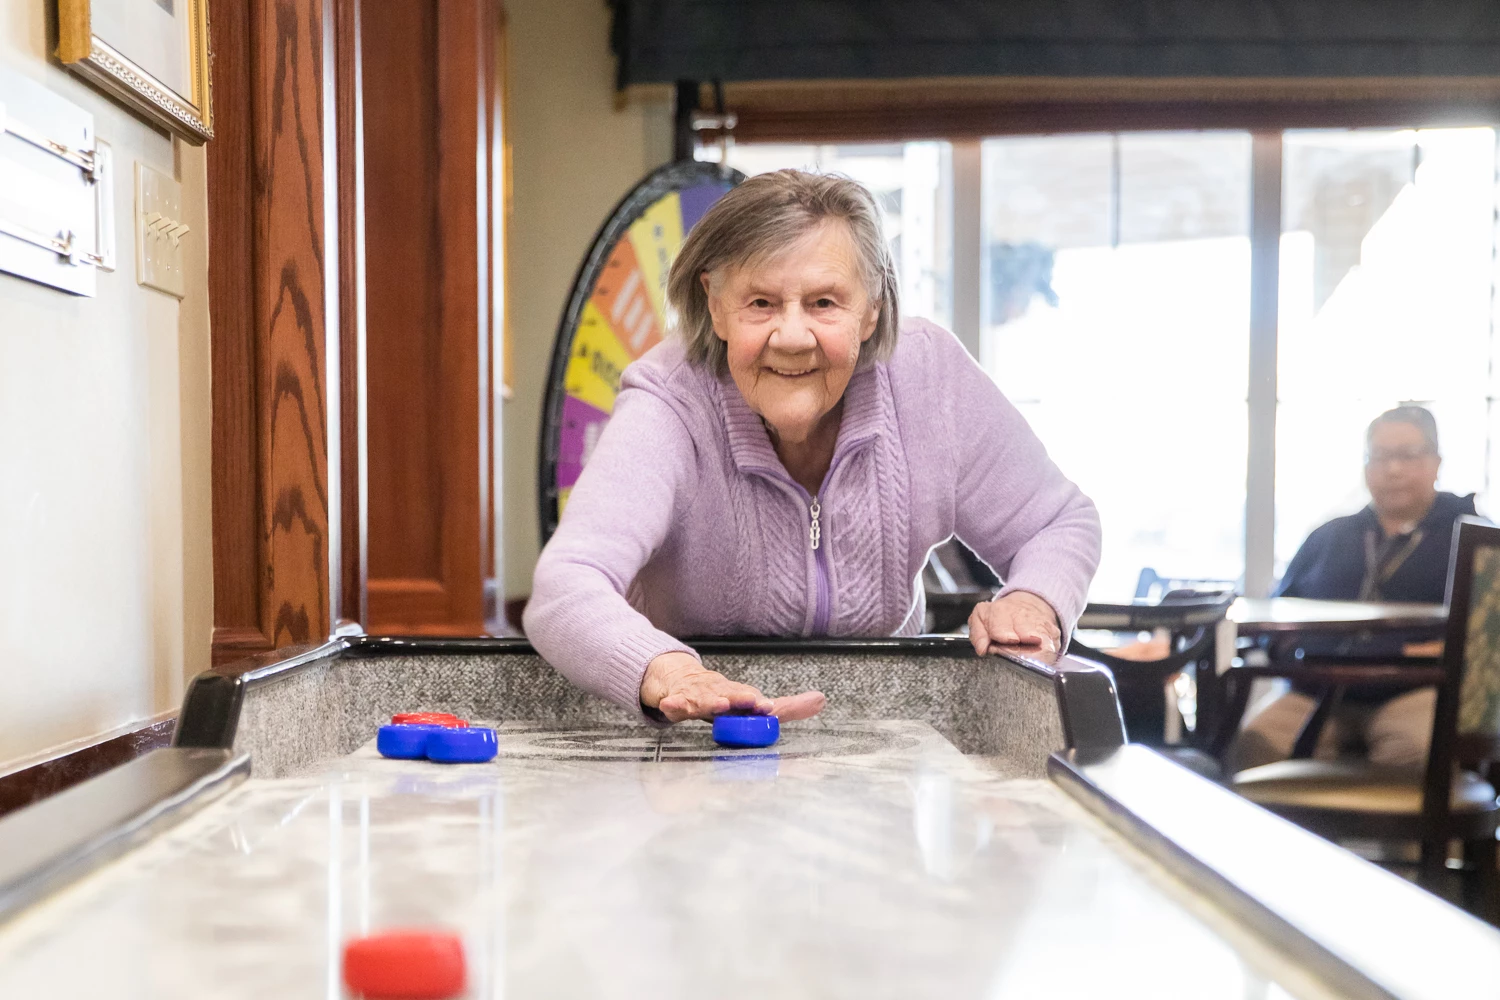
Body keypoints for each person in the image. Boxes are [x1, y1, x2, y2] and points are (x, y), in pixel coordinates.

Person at [524, 170, 1101, 724]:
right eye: (760, 303)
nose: (793, 337)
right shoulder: (669, 399)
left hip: (886, 747)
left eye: (824, 303)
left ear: (872, 307)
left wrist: (1032, 603)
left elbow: (1057, 523)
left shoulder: (929, 378)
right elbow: (566, 586)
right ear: (716, 303)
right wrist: (668, 671)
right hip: (698, 743)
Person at [1228, 405, 1478, 772]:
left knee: (1418, 750)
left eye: (1407, 455)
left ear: (1436, 463)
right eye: (1379, 457)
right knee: (1257, 740)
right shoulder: (1329, 537)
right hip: (1316, 690)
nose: (1393, 469)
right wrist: (1296, 652)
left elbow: (1484, 637)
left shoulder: (1471, 538)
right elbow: (1277, 615)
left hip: (1421, 691)